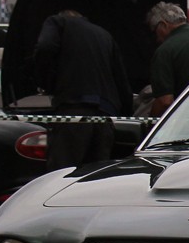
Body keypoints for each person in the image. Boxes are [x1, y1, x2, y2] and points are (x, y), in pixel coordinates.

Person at [33, 9, 133, 169]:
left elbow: (45, 47)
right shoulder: (105, 35)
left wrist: (46, 81)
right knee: (95, 177)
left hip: (74, 110)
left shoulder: (58, 22)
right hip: (105, 116)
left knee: (62, 174)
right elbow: (121, 80)